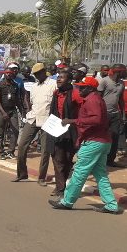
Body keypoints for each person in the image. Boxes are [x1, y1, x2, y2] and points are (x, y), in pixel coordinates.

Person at [49, 77, 120, 214]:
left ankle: (67, 201)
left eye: (82, 87)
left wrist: (72, 120)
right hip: (101, 141)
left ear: (90, 88)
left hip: (95, 141)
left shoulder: (92, 99)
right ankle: (111, 204)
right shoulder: (94, 98)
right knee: (100, 174)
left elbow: (96, 119)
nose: (79, 89)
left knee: (79, 172)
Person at [13, 63, 57, 183]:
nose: (37, 76)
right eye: (35, 74)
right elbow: (31, 102)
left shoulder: (53, 85)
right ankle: (22, 174)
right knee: (22, 145)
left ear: (44, 72)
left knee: (45, 151)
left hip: (47, 120)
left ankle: (41, 177)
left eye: (39, 74)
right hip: (33, 118)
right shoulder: (34, 87)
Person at [46, 70, 80, 198]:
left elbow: (83, 111)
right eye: (58, 77)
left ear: (69, 80)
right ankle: (60, 189)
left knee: (67, 160)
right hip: (56, 129)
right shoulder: (56, 93)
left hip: (72, 131)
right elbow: (52, 112)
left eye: (62, 78)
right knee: (58, 159)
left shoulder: (76, 94)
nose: (58, 79)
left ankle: (62, 185)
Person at [97, 64, 126, 168]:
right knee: (100, 137)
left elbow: (121, 100)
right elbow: (98, 98)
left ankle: (110, 160)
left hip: (115, 114)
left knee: (114, 137)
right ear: (119, 72)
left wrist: (122, 115)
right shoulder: (105, 81)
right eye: (124, 71)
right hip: (104, 114)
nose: (125, 73)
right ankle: (98, 159)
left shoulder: (121, 83)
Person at [0, 68, 22, 160]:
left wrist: (22, 111)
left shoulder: (15, 85)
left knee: (15, 130)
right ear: (4, 74)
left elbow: (17, 99)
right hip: (1, 111)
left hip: (12, 110)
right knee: (0, 132)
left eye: (10, 73)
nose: (9, 75)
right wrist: (3, 112)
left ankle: (11, 151)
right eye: (7, 73)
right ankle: (1, 152)